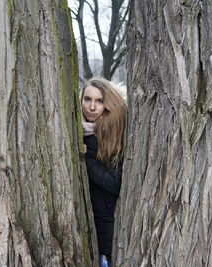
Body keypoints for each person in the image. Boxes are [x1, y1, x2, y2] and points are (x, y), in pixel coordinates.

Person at [81, 77, 127, 266]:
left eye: (99, 101)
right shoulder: (77, 130)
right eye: (87, 99)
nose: (92, 107)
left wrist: (85, 160)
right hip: (84, 218)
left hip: (106, 222)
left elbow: (115, 182)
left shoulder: (113, 132)